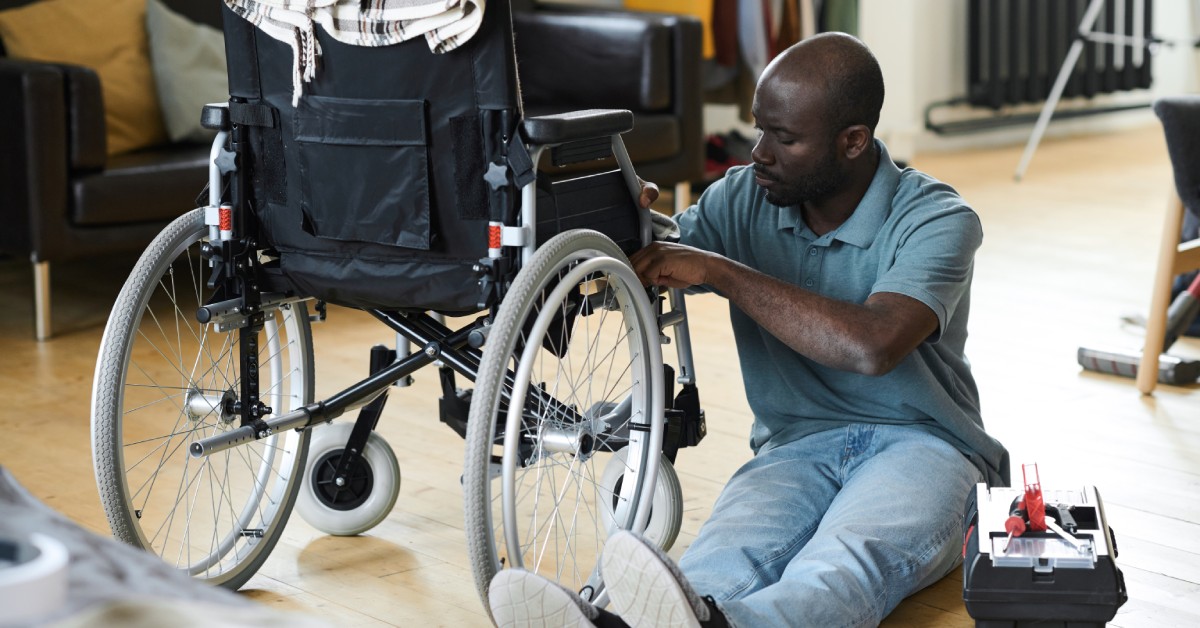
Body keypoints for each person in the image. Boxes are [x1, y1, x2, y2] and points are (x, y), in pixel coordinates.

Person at [488, 31, 1009, 628]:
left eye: (784, 138)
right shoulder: (745, 196)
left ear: (853, 142)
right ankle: (620, 622)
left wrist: (721, 271)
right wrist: (623, 223)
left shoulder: (937, 219)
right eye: (758, 127)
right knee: (717, 563)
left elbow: (873, 344)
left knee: (843, 564)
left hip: (928, 445)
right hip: (795, 445)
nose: (759, 151)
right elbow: (654, 259)